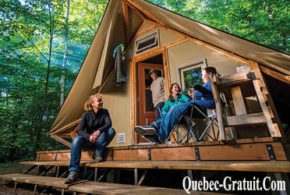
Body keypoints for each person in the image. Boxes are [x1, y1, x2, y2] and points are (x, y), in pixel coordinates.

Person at [134, 67, 218, 143]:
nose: (201, 76)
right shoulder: (168, 99)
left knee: (176, 107)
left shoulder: (212, 82)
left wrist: (196, 93)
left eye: (203, 74)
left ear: (209, 74)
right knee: (171, 111)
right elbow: (199, 96)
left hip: (202, 108)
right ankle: (152, 127)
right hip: (190, 110)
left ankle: (159, 136)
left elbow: (198, 95)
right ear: (171, 90)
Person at [65, 94, 115, 184]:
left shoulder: (105, 112)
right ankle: (74, 171)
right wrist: (89, 136)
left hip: (100, 140)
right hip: (89, 141)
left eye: (101, 100)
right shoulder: (86, 115)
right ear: (92, 103)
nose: (101, 102)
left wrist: (98, 131)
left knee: (111, 130)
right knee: (76, 140)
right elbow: (79, 130)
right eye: (99, 101)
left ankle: (99, 152)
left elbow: (109, 124)